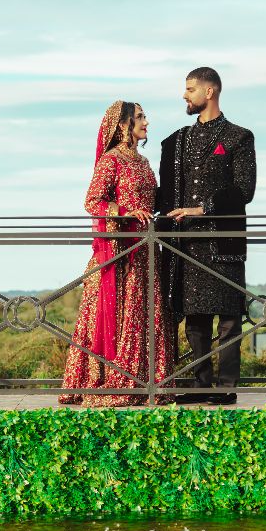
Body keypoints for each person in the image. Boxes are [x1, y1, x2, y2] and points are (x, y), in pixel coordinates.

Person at [59, 100, 172, 407]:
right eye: (140, 117)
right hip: (120, 253)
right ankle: (113, 377)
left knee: (144, 314)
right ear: (123, 125)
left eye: (145, 116)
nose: (146, 122)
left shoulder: (143, 162)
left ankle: (147, 380)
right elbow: (92, 201)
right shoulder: (111, 161)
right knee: (118, 317)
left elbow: (153, 201)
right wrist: (126, 212)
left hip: (146, 251)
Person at [157, 67, 256, 405]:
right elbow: (165, 195)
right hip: (185, 243)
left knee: (228, 319)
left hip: (223, 242)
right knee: (195, 320)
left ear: (210, 91)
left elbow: (244, 190)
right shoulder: (175, 141)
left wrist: (202, 209)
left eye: (190, 89)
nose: (185, 96)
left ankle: (226, 387)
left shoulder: (239, 138)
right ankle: (202, 386)